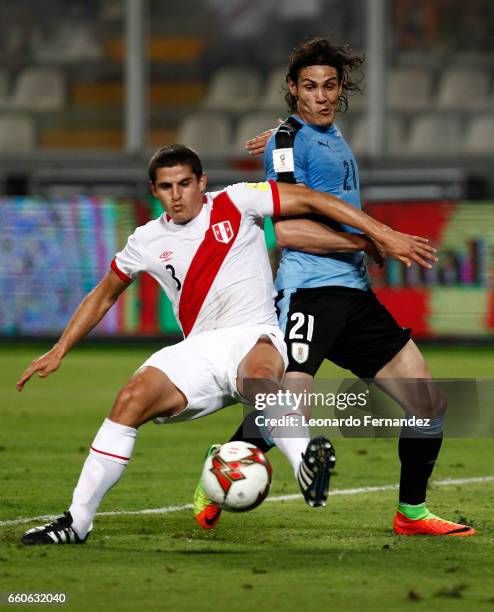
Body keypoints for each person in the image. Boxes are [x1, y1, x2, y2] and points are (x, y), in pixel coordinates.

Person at [16, 144, 433, 545]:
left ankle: (306, 463)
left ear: (202, 182)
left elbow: (310, 199)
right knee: (129, 399)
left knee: (260, 380)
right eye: (166, 187)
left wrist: (379, 233)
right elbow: (105, 293)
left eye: (184, 183)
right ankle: (77, 521)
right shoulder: (145, 240)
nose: (177, 196)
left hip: (256, 333)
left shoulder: (237, 201)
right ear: (154, 191)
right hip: (197, 351)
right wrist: (59, 349)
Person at [194, 37, 475, 537]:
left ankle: (411, 513)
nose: (321, 96)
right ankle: (218, 472)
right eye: (309, 87)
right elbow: (287, 231)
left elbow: (301, 148)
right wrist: (369, 236)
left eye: (329, 86)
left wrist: (286, 135)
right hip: (309, 293)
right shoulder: (288, 138)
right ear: (292, 89)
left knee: (428, 403)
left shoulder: (326, 133)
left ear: (341, 88)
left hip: (356, 295)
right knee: (288, 411)